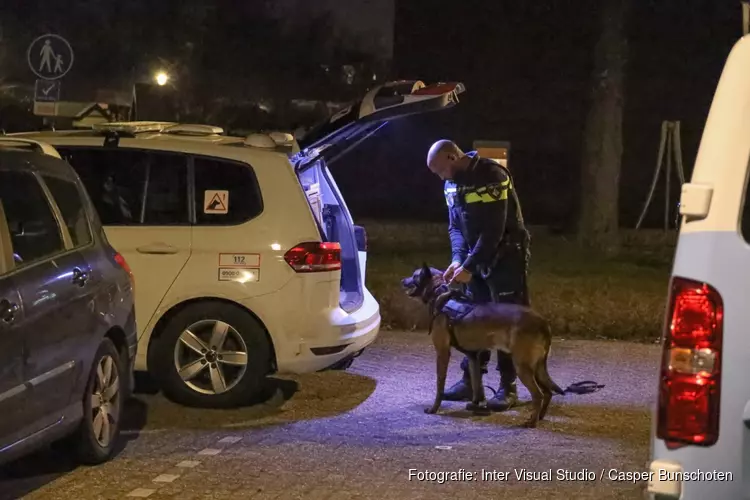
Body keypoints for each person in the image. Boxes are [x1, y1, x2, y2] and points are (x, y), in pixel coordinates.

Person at [426, 139, 531, 411]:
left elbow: (493, 230)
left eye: (440, 170)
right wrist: (458, 259)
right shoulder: (451, 183)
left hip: (506, 257)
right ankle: (471, 381)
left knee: (507, 321)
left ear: (452, 157)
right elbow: (455, 228)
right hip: (477, 257)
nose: (440, 177)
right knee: (475, 322)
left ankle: (509, 387)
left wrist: (469, 267)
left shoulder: (492, 175)